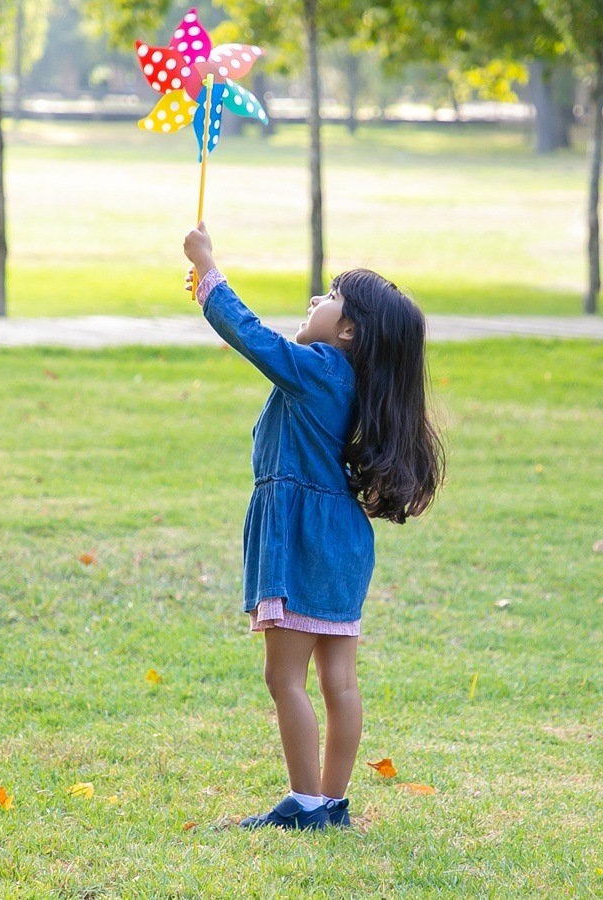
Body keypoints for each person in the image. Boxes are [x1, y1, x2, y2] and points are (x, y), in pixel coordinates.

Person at [182, 222, 444, 831]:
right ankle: (331, 802)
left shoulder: (322, 368)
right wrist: (207, 285)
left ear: (347, 330)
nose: (314, 303)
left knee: (283, 676)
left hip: (302, 535)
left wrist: (209, 272)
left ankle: (303, 805)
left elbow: (252, 340)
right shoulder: (352, 380)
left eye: (328, 298)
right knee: (338, 681)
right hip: (343, 539)